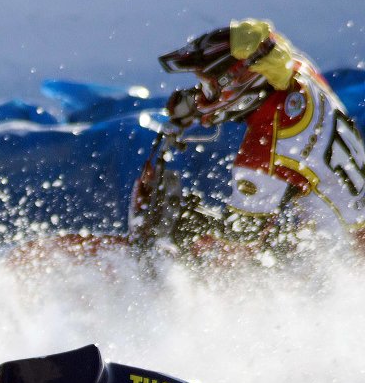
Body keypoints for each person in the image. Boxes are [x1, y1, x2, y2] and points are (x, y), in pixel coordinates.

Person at [155, 18, 365, 262]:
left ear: (241, 82)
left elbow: (240, 244)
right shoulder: (296, 69)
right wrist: (200, 101)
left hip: (343, 260)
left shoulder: (263, 150)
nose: (202, 96)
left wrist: (192, 226)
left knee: (217, 260)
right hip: (349, 210)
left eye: (208, 86)